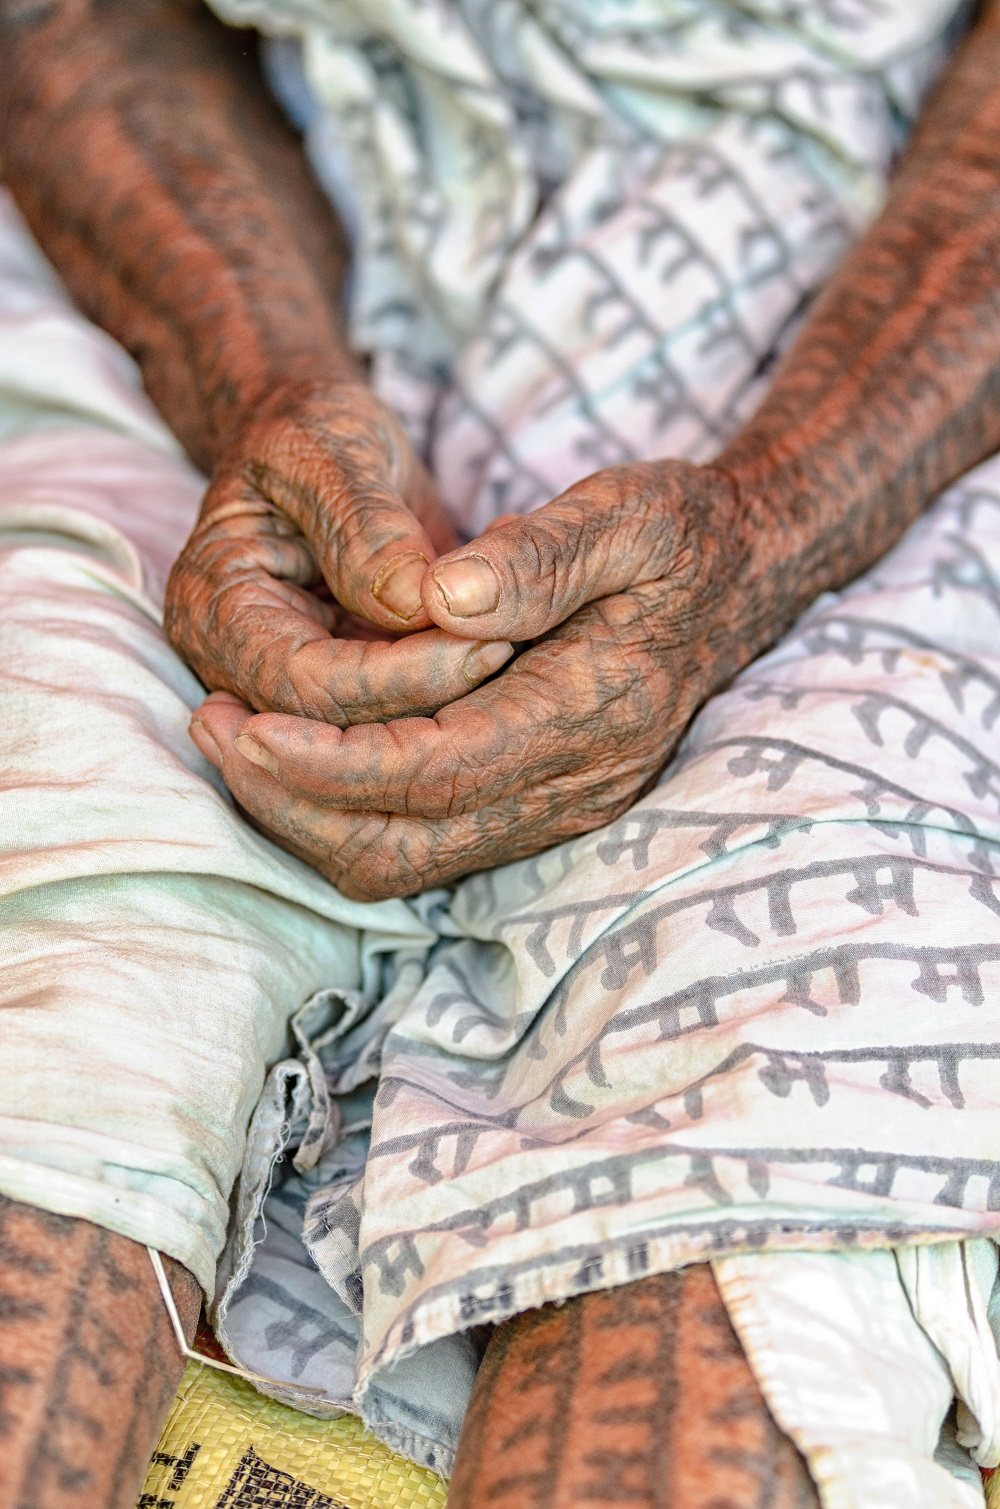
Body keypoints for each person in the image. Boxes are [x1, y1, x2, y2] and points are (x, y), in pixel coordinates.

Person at [2, 1, 1000, 1505]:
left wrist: (770, 522)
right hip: (209, 276)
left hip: (899, 349)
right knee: (68, 921)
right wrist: (261, 386)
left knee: (769, 1082)